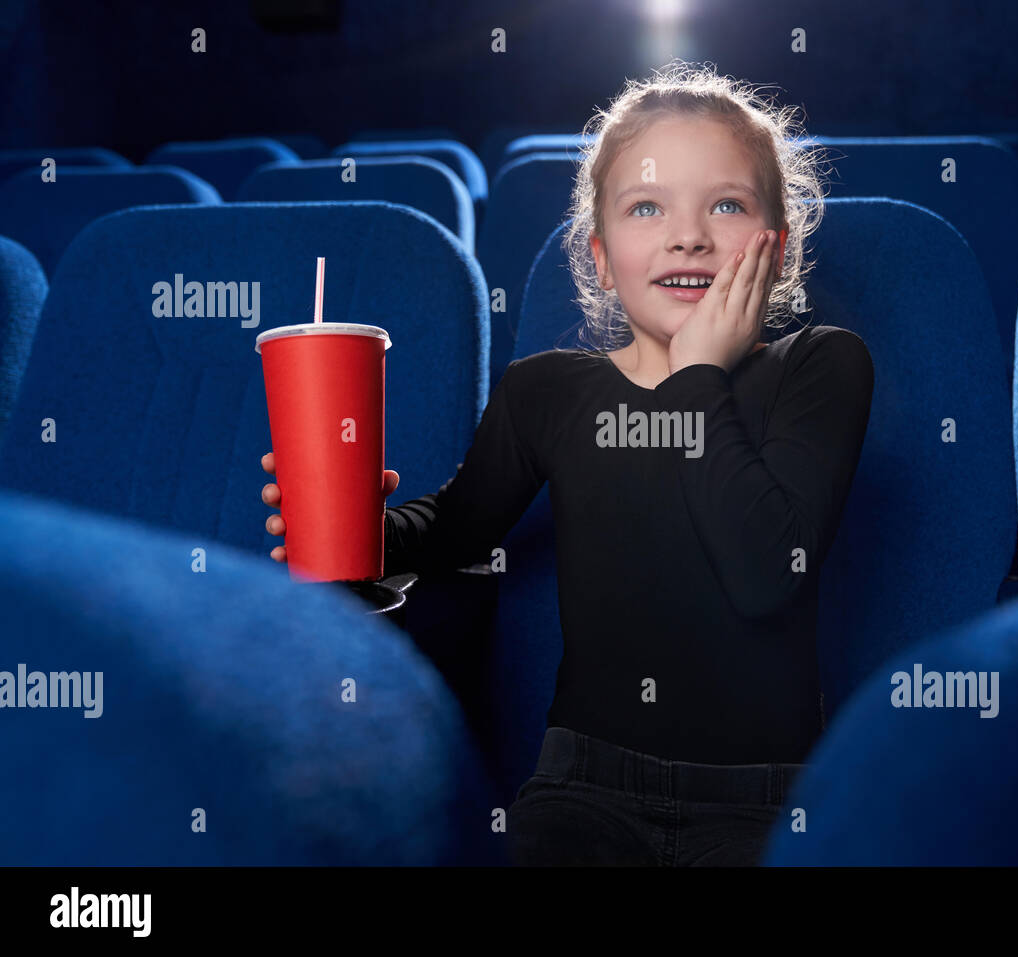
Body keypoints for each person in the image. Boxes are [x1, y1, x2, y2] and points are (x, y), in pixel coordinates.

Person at [260, 60, 873, 866]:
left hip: (764, 798)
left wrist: (697, 373)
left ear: (776, 244)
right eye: (646, 207)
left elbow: (766, 573)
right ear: (600, 249)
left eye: (725, 204)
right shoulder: (547, 391)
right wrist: (356, 526)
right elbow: (452, 527)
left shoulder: (820, 366)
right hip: (584, 791)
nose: (687, 234)